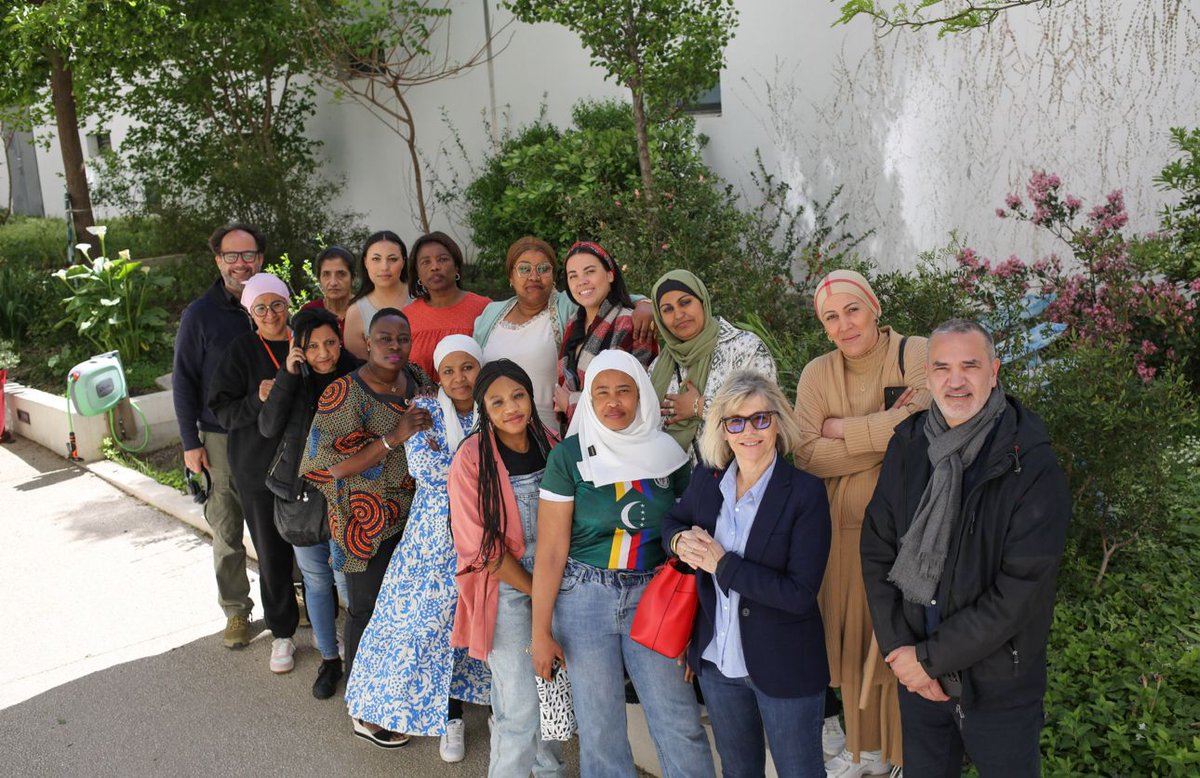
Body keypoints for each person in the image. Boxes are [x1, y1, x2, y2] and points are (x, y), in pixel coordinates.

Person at [861, 319, 1071, 777]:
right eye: (941, 367)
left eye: (970, 366)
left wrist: (930, 659)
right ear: (927, 375)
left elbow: (1020, 590)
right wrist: (901, 649)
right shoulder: (910, 442)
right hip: (918, 677)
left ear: (994, 371)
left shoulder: (1029, 464)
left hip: (998, 684)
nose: (955, 381)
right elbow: (877, 546)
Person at [533, 349, 715, 778]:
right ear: (590, 401)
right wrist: (539, 632)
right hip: (583, 600)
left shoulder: (669, 454)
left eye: (624, 391)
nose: (614, 402)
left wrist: (697, 626)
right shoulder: (568, 457)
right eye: (601, 393)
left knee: (678, 721)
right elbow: (552, 551)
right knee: (600, 731)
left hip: (655, 598)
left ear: (642, 396)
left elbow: (689, 539)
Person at [793, 269, 930, 777]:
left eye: (852, 310)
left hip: (909, 530)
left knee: (898, 639)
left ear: (873, 307)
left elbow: (924, 423)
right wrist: (882, 439)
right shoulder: (816, 373)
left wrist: (844, 431)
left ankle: (904, 756)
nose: (844, 324)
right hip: (842, 533)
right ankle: (865, 752)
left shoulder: (913, 353)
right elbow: (806, 454)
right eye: (831, 317)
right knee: (852, 644)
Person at [664, 370, 832, 778]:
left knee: (800, 772)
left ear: (778, 422)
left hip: (785, 664)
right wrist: (678, 541)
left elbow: (799, 593)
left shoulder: (805, 493)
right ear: (722, 429)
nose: (749, 431)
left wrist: (723, 565)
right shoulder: (708, 478)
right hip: (718, 666)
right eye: (735, 421)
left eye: (761, 418)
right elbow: (673, 520)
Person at [345, 335, 491, 763]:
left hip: (487, 531)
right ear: (438, 376)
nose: (459, 378)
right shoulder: (423, 412)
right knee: (430, 628)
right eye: (449, 370)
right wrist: (475, 469)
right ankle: (450, 718)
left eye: (467, 367)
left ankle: (502, 712)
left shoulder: (495, 409)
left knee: (482, 621)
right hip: (433, 538)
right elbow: (426, 470)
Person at [299, 307, 433, 748]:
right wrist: (393, 438)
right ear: (367, 343)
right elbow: (325, 468)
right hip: (363, 520)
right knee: (366, 609)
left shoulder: (414, 379)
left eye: (402, 338)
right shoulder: (343, 393)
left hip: (413, 515)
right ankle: (363, 708)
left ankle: (398, 693)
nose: (394, 346)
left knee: (405, 610)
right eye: (384, 339)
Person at [448, 359, 564, 778]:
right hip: (508, 587)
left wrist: (554, 588)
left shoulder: (552, 443)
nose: (511, 407)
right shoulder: (470, 459)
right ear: (483, 409)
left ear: (531, 397)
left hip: (556, 578)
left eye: (518, 395)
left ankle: (548, 770)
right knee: (519, 707)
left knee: (551, 692)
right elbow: (483, 549)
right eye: (497, 402)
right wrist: (541, 591)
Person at [258, 307, 358, 698]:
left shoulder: (355, 375)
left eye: (330, 342)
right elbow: (268, 427)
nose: (323, 353)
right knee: (316, 581)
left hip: (345, 497)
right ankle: (330, 660)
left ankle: (360, 657)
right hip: (301, 499)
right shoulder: (292, 381)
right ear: (298, 347)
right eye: (312, 345)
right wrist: (287, 373)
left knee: (346, 583)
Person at [172, 222, 261, 648]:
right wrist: (190, 443)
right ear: (218, 261)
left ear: (260, 258)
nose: (241, 264)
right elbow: (184, 381)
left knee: (277, 519)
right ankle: (237, 610)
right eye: (232, 256)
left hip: (269, 432)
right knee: (227, 526)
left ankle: (293, 595)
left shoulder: (272, 304)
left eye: (249, 255)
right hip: (219, 436)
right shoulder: (200, 315)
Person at [207, 272, 302, 674]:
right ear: (250, 312)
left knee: (315, 551)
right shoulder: (241, 350)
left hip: (306, 463)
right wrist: (256, 398)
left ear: (288, 305)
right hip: (257, 467)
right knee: (271, 553)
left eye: (277, 305)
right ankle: (282, 634)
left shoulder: (306, 342)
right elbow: (220, 409)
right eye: (260, 307)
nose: (270, 314)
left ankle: (325, 620)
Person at [473, 236, 656, 428]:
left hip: (553, 431)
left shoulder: (566, 306)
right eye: (524, 269)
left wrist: (646, 304)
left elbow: (607, 295)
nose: (534, 276)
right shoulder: (491, 313)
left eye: (543, 268)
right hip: (497, 431)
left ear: (553, 277)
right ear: (510, 276)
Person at [649, 269, 777, 462]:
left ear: (702, 301)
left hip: (739, 477)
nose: (678, 314)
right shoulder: (658, 366)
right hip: (674, 482)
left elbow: (767, 413)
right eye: (668, 309)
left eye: (685, 302)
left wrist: (699, 406)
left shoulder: (744, 347)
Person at [554, 241, 656, 426]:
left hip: (619, 442)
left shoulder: (631, 323)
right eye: (573, 276)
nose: (581, 281)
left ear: (610, 274)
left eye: (590, 271)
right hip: (576, 435)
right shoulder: (572, 323)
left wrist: (571, 403)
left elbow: (640, 395)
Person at [403, 231, 491, 377]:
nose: (434, 267)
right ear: (417, 273)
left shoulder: (484, 309)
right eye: (426, 262)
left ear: (456, 266)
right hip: (419, 398)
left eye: (442, 259)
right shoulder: (406, 317)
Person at [343, 231, 413, 360]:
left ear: (403, 262)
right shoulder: (356, 312)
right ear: (365, 262)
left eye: (392, 259)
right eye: (376, 259)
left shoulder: (420, 297)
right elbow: (359, 369)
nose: (384, 267)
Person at [301, 244, 357, 340]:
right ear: (319, 279)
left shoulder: (366, 309)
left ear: (353, 278)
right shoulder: (309, 312)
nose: (333, 282)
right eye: (326, 274)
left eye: (341, 274)